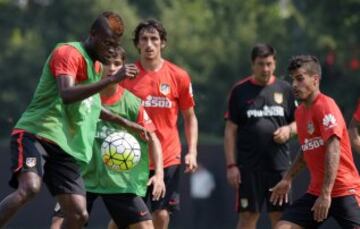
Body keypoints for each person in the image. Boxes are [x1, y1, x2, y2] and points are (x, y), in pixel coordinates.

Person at [0, 11, 142, 228]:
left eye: (115, 44)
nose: (111, 49)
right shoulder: (68, 52)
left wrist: (124, 122)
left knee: (78, 215)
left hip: (65, 150)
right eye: (106, 43)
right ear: (92, 35)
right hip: (36, 136)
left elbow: (92, 106)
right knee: (30, 188)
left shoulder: (95, 68)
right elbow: (67, 94)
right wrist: (112, 79)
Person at [50, 47, 166, 229]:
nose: (112, 68)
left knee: (145, 227)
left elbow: (152, 137)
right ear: (97, 65)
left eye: (118, 64)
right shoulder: (82, 95)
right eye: (107, 63)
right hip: (82, 176)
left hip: (118, 179)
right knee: (58, 224)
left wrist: (159, 174)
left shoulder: (132, 103)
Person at [118, 19, 198, 229]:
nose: (149, 44)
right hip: (133, 157)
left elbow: (190, 117)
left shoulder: (178, 75)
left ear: (163, 43)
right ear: (137, 44)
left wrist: (192, 151)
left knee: (161, 215)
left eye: (154, 39)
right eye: (144, 39)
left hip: (168, 156)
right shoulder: (126, 76)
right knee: (125, 220)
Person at [270, 55, 360, 228]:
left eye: (300, 79)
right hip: (316, 192)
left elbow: (333, 149)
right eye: (293, 80)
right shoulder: (300, 112)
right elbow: (306, 150)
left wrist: (326, 194)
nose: (295, 85)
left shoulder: (326, 105)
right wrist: (287, 178)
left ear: (315, 79)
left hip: (345, 190)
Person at [224, 43, 297, 228]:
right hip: (248, 167)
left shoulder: (286, 90)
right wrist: (231, 165)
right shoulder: (239, 91)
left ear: (275, 64)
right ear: (252, 64)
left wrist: (289, 130)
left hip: (279, 167)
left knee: (281, 218)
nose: (265, 69)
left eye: (269, 64)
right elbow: (230, 130)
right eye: (260, 64)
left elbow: (299, 123)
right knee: (248, 217)